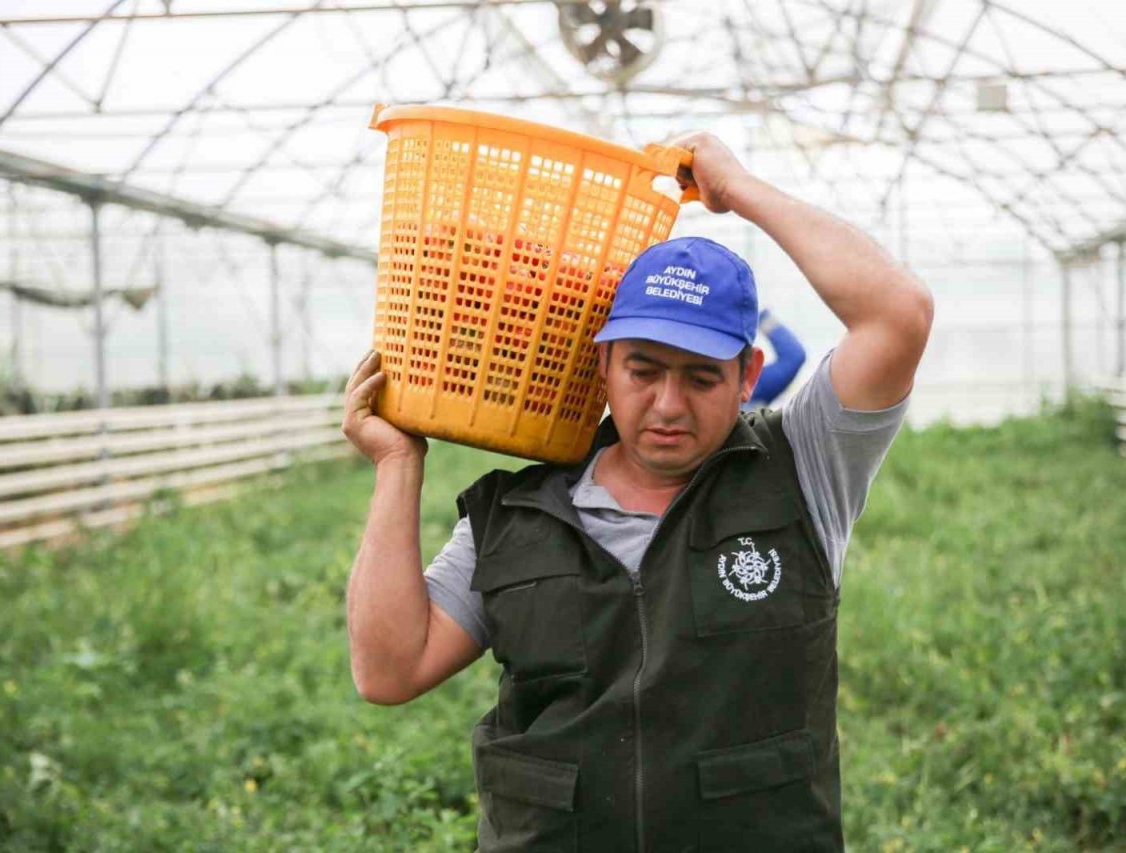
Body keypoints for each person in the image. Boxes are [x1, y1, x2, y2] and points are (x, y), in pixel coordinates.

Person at [341, 131, 933, 852]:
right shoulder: (516, 513)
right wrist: (397, 465)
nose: (667, 405)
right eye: (644, 370)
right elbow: (388, 668)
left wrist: (738, 188)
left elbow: (898, 312)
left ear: (748, 375)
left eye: (701, 376)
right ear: (603, 365)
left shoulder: (804, 467)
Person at [748, 307, 807, 408]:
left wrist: (754, 314)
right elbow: (794, 356)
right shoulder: (751, 381)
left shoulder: (752, 380)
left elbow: (794, 356)